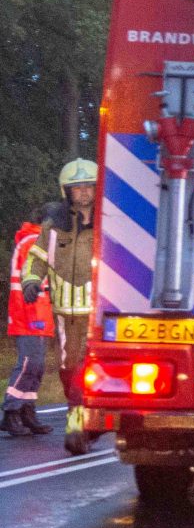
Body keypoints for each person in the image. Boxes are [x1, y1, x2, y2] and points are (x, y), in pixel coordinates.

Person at [21, 160, 98, 454]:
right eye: (77, 187)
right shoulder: (53, 227)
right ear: (67, 191)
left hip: (98, 315)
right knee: (69, 370)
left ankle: (84, 421)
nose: (84, 192)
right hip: (65, 314)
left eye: (89, 185)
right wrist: (30, 280)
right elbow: (37, 257)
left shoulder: (108, 221)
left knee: (93, 370)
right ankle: (77, 416)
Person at [2, 210, 53, 436]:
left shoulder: (37, 241)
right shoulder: (32, 242)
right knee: (28, 364)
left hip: (39, 314)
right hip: (29, 314)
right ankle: (11, 411)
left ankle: (26, 410)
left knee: (37, 366)